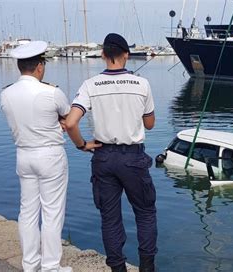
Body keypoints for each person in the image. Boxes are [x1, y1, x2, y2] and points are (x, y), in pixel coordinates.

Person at [65, 33, 157, 272]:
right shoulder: (142, 84)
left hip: (104, 157)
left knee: (110, 217)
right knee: (145, 213)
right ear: (127, 54)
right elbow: (149, 124)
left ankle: (117, 268)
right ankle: (147, 267)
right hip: (134, 158)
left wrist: (82, 145)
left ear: (103, 55)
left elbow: (71, 123)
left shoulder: (90, 85)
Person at [0, 41, 72, 272]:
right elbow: (68, 120)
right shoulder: (52, 92)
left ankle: (30, 265)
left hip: (23, 155)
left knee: (28, 211)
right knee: (52, 212)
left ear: (20, 66)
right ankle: (51, 266)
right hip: (50, 156)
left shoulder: (6, 93)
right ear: (40, 66)